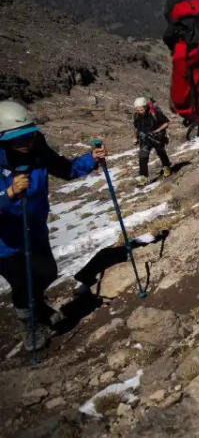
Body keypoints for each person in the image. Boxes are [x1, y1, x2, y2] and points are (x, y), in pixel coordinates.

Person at [0, 100, 106, 350]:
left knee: (47, 272)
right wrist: (9, 194)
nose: (25, 142)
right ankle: (31, 327)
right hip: (5, 242)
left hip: (35, 230)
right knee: (22, 283)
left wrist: (90, 160)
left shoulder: (38, 149)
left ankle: (35, 306)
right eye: (18, 139)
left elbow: (66, 169)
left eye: (29, 135)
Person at [133, 96, 172, 187]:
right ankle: (143, 177)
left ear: (145, 106)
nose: (139, 111)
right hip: (144, 139)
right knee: (143, 157)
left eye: (141, 109)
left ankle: (166, 167)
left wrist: (157, 131)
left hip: (157, 138)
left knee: (161, 153)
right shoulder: (137, 115)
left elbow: (166, 123)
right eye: (138, 110)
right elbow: (136, 127)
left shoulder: (155, 113)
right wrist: (135, 138)